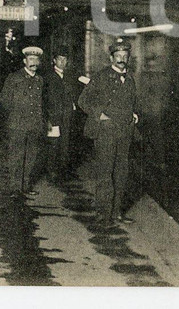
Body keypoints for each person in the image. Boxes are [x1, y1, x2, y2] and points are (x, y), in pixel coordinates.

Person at [78, 40, 140, 224]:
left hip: (125, 131)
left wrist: (134, 114)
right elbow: (83, 101)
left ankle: (116, 212)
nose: (121, 59)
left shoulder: (129, 78)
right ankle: (103, 213)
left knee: (121, 173)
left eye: (125, 56)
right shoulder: (101, 76)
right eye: (118, 56)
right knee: (105, 172)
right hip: (106, 131)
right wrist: (100, 114)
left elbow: (130, 102)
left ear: (128, 58)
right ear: (112, 58)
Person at [0, 45, 46, 194]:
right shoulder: (14, 78)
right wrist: (16, 114)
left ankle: (25, 186)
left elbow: (42, 102)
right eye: (30, 59)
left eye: (36, 59)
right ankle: (15, 188)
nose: (34, 62)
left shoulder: (40, 80)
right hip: (17, 124)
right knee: (16, 156)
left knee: (31, 157)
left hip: (34, 124)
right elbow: (4, 99)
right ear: (24, 61)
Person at [44, 50, 81, 181]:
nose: (62, 62)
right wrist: (47, 118)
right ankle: (51, 172)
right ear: (54, 60)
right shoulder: (48, 77)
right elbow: (44, 99)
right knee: (54, 145)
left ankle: (63, 171)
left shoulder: (70, 77)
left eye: (65, 59)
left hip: (68, 116)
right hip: (54, 116)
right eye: (60, 59)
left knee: (66, 144)